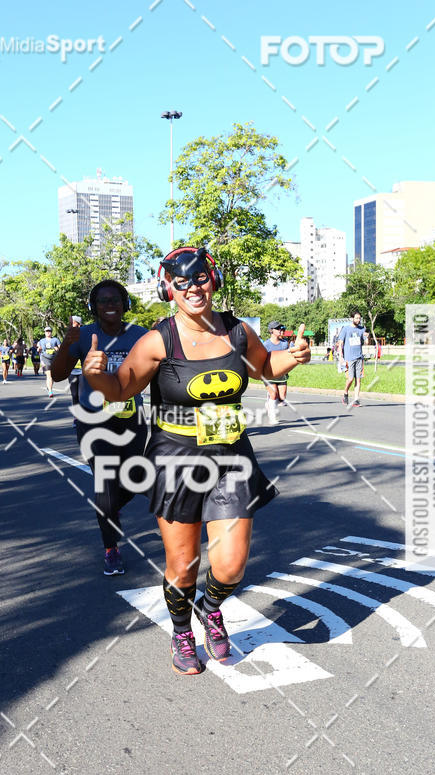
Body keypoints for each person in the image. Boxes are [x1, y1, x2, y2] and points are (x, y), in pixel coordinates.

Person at [82, 247, 311, 675]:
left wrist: (292, 359)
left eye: (201, 278)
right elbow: (118, 390)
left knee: (230, 565)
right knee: (183, 567)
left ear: (214, 279)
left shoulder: (238, 331)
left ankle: (211, 608)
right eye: (182, 282)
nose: (194, 288)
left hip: (232, 458)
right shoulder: (158, 340)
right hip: (175, 460)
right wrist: (95, 375)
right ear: (168, 289)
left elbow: (264, 367)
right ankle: (182, 630)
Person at [51, 283, 148, 575]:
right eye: (103, 300)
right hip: (93, 421)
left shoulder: (140, 335)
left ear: (125, 303)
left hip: (132, 418)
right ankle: (111, 549)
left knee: (136, 479)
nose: (110, 304)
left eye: (115, 299)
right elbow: (57, 374)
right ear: (93, 307)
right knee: (105, 484)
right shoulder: (82, 335)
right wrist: (68, 345)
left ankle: (109, 508)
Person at [262, 321, 289, 424]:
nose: (280, 330)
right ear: (271, 331)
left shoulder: (284, 344)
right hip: (269, 374)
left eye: (280, 328)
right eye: (277, 328)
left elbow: (287, 358)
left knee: (282, 397)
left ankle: (269, 403)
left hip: (282, 374)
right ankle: (272, 417)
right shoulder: (266, 344)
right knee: (274, 394)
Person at [337, 309, 366, 407]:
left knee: (358, 379)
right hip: (349, 358)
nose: (358, 320)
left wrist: (367, 337)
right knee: (350, 379)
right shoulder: (346, 329)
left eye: (359, 318)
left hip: (359, 357)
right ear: (352, 318)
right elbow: (340, 344)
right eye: (357, 318)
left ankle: (356, 399)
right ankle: (345, 392)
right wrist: (341, 357)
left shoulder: (362, 329)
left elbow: (364, 342)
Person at [38, 326, 61, 397]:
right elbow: (39, 350)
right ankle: (50, 391)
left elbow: (61, 349)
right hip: (45, 359)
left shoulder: (55, 339)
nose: (48, 332)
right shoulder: (42, 341)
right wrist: (39, 350)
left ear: (51, 332)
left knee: (53, 376)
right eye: (46, 331)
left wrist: (57, 349)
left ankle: (49, 387)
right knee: (49, 375)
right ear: (44, 333)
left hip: (54, 359)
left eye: (49, 331)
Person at [67, 316, 83, 412]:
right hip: (72, 371)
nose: (70, 324)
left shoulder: (85, 335)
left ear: (78, 324)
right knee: (74, 395)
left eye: (72, 322)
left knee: (82, 395)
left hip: (83, 371)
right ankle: (76, 417)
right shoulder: (68, 337)